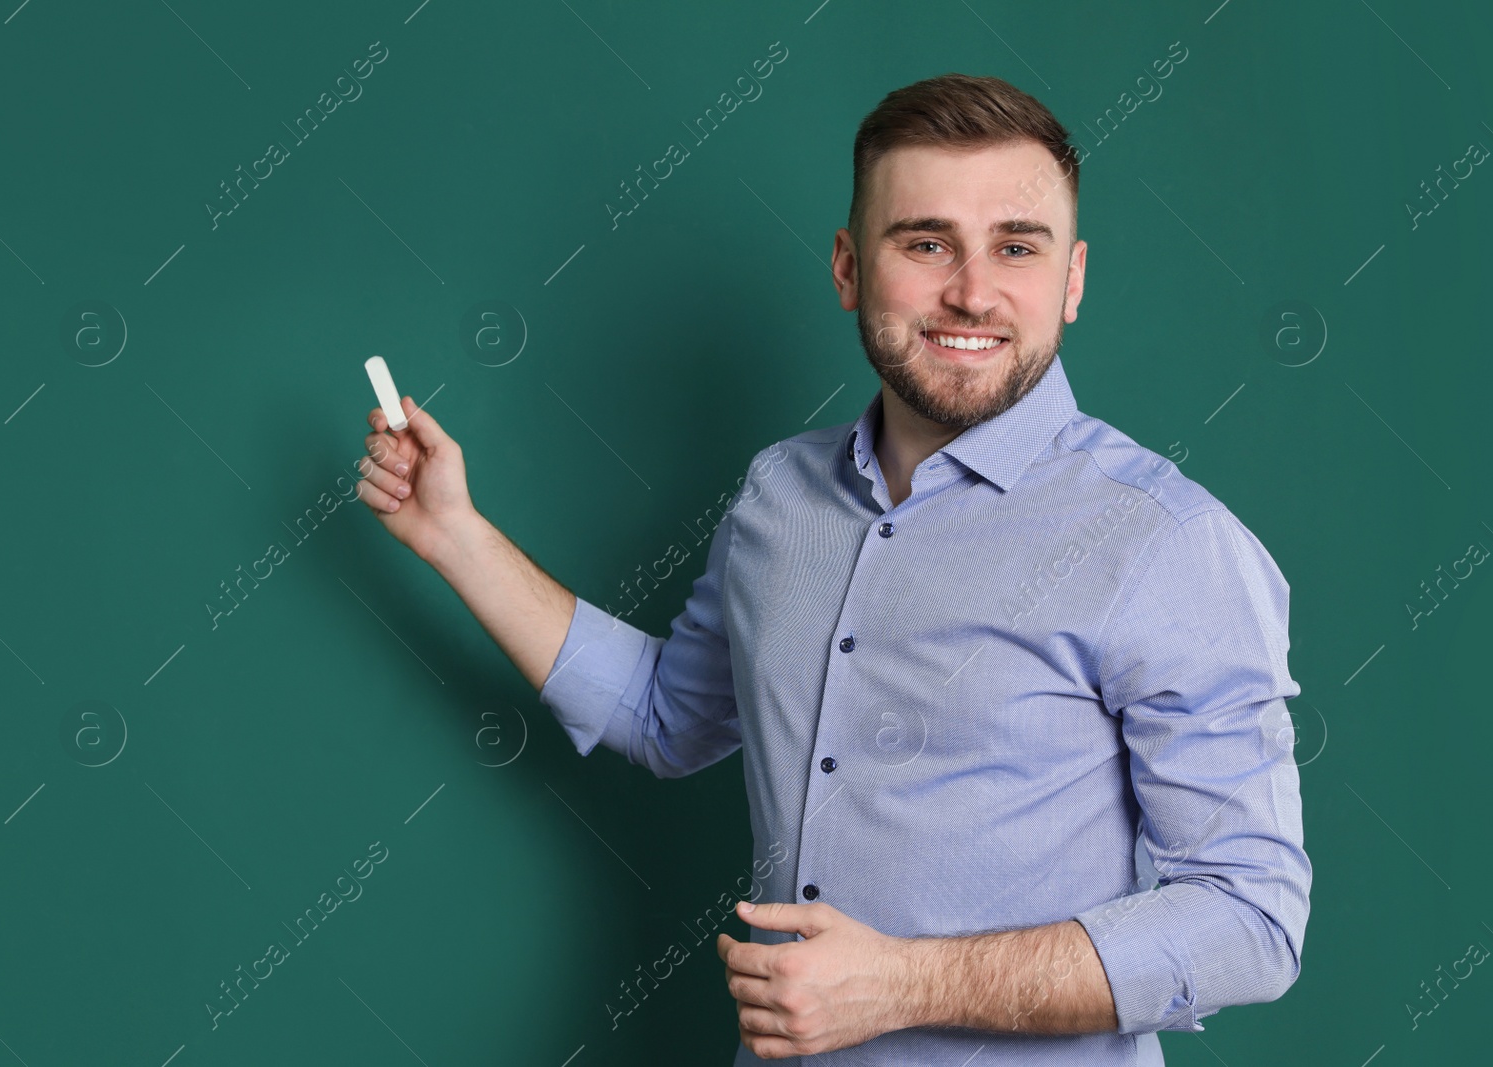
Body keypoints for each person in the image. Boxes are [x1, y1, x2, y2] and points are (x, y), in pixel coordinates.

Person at [353, 72, 1310, 1066]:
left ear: (1070, 279)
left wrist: (906, 981)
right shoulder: (778, 496)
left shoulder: (1164, 542)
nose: (972, 290)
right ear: (850, 267)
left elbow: (1253, 920)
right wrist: (454, 534)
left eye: (1015, 247)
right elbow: (664, 715)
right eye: (925, 242)